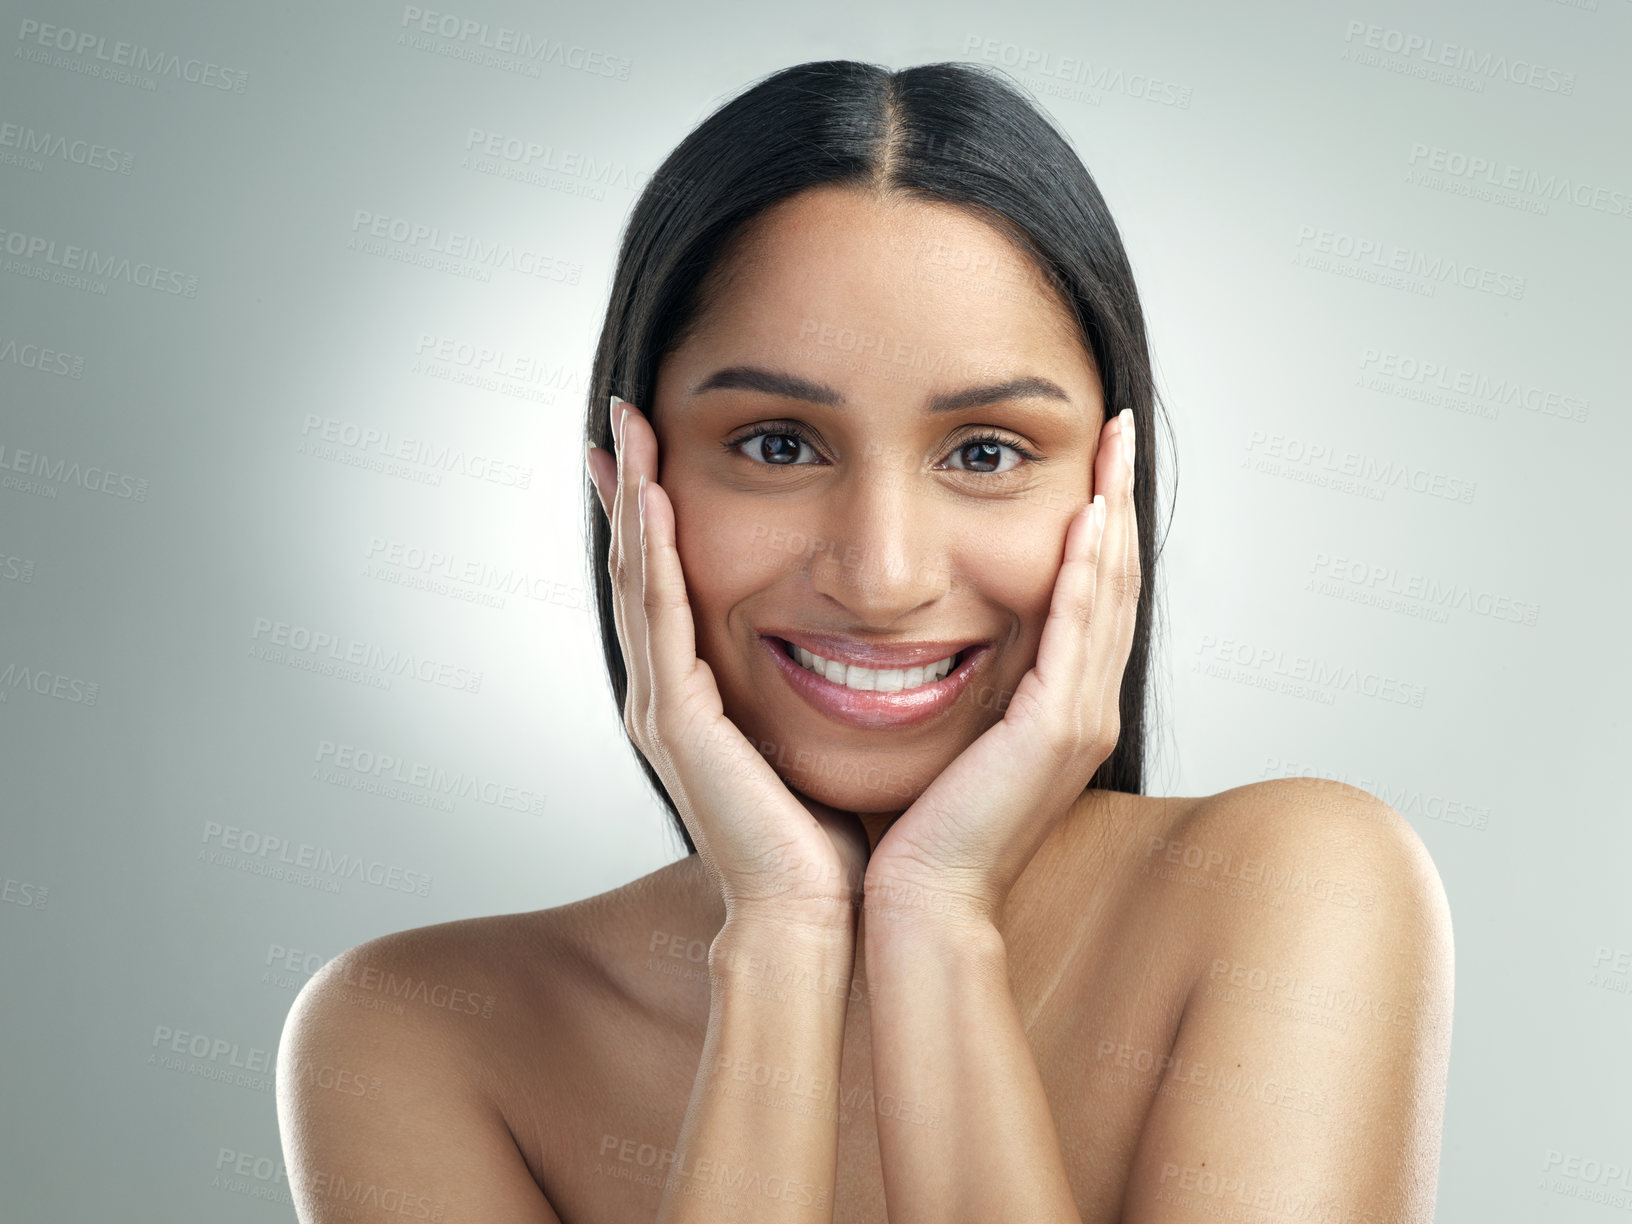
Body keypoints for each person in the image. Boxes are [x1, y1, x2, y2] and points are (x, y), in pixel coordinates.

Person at [277, 59, 1453, 1223]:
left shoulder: (1294, 893)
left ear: (1112, 494)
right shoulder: (419, 1034)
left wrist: (936, 923)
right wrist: (783, 937)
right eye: (780, 444)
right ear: (633, 483)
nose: (884, 576)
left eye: (985, 452)